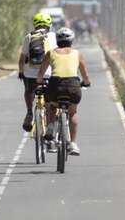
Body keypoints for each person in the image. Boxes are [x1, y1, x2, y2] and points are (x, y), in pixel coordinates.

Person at [36, 27, 90, 156]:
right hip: (73, 86)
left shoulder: (51, 53)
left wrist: (39, 81)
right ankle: (73, 144)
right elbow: (85, 75)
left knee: (51, 105)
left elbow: (40, 74)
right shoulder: (78, 54)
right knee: (72, 113)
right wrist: (86, 83)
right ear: (71, 40)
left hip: (55, 85)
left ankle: (50, 127)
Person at [18, 13, 56, 131]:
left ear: (35, 24)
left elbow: (22, 58)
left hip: (30, 75)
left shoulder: (29, 36)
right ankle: (50, 124)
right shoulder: (53, 37)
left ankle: (29, 112)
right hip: (48, 74)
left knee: (28, 91)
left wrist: (21, 71)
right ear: (49, 25)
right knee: (50, 99)